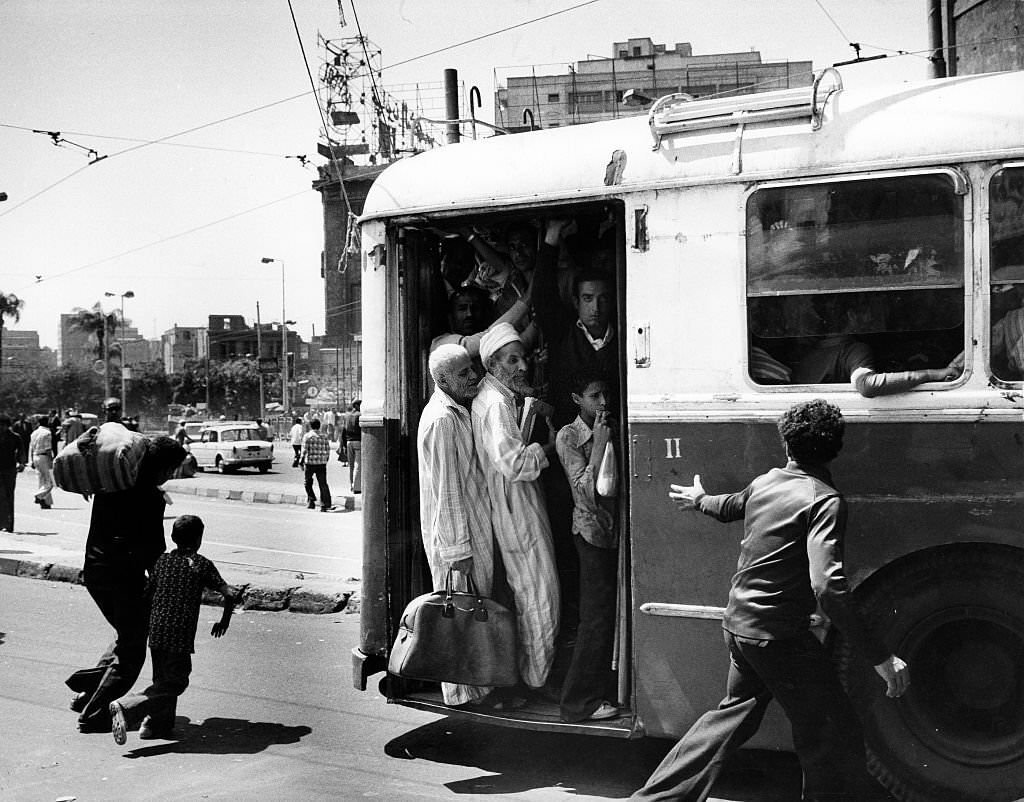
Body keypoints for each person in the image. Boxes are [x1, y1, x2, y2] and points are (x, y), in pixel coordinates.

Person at [630, 400, 909, 802]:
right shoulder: (824, 500)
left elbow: (729, 507)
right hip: (778, 638)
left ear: (786, 445)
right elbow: (827, 586)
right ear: (835, 449)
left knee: (731, 719)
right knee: (833, 728)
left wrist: (698, 499)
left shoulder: (766, 482)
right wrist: (881, 657)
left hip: (740, 627)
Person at [67, 436, 188, 733]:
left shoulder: (111, 487)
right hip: (121, 577)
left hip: (95, 571)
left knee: (128, 632)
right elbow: (152, 550)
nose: (170, 476)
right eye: (171, 469)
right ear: (160, 467)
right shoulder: (149, 498)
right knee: (133, 648)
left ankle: (87, 691)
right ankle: (94, 715)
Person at [472, 322, 560, 692]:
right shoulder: (494, 405)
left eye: (524, 358)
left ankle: (529, 677)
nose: (523, 367)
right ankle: (535, 680)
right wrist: (553, 445)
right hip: (514, 508)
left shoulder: (500, 399)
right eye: (513, 360)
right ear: (493, 364)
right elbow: (514, 464)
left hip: (516, 505)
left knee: (533, 594)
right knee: (541, 596)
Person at [417, 344, 504, 708]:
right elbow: (446, 491)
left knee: (472, 613)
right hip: (458, 538)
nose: (474, 377)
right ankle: (464, 695)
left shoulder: (457, 411)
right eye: (464, 373)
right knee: (463, 616)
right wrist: (457, 552)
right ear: (442, 380)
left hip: (472, 531)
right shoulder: (441, 420)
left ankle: (477, 688)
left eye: (473, 369)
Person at [109, 514, 240, 744]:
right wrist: (224, 621)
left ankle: (155, 725)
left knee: (162, 680)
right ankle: (126, 707)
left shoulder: (162, 561)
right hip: (179, 635)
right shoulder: (201, 564)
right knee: (176, 682)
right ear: (199, 539)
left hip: (157, 630)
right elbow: (229, 593)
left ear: (172, 537)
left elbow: (147, 594)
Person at [555, 372, 620, 722]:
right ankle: (577, 702)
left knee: (606, 614)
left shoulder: (610, 425)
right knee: (594, 618)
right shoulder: (569, 436)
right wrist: (598, 444)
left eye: (605, 394)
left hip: (611, 534)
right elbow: (585, 493)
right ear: (577, 398)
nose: (603, 402)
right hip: (591, 534)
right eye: (595, 395)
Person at [793, 297, 956, 397]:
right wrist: (930, 374)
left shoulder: (812, 352)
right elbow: (867, 385)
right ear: (852, 316)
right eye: (866, 310)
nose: (872, 316)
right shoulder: (853, 350)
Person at [299, 418, 334, 512]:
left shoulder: (307, 436)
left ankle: (311, 499)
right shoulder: (324, 437)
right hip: (321, 463)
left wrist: (300, 461)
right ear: (319, 426)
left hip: (310, 463)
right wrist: (325, 460)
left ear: (310, 426)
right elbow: (327, 451)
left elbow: (304, 450)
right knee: (323, 484)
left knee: (307, 482)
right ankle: (325, 504)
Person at [0, 415, 26, 532]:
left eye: (3, 425)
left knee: (9, 496)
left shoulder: (15, 437)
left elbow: (21, 451)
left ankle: (9, 524)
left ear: (7, 425)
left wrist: (21, 463)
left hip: (9, 469)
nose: (1, 427)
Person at [29, 414, 55, 509]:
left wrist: (31, 460)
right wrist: (51, 461)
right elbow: (48, 449)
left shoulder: (34, 433)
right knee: (51, 481)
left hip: (36, 456)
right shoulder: (47, 433)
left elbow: (31, 447)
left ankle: (45, 502)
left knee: (41, 480)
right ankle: (39, 495)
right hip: (44, 457)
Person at [341, 400, 362, 494]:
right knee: (358, 465)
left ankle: (351, 485)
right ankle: (356, 487)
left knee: (351, 466)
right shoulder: (359, 415)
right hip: (358, 441)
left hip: (349, 442)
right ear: (357, 405)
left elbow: (343, 431)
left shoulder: (347, 415)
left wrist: (343, 445)